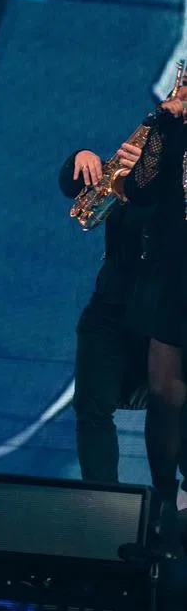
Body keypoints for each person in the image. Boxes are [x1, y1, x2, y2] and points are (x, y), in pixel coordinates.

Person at [59, 141, 149, 482]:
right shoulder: (152, 135)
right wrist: (79, 158)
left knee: (173, 410)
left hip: (167, 310)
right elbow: (72, 186)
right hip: (112, 305)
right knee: (91, 408)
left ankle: (174, 509)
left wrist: (154, 173)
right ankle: (100, 502)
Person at [121, 90, 187, 521]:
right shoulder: (174, 131)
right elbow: (139, 188)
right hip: (176, 273)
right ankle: (164, 494)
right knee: (164, 390)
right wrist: (161, 123)